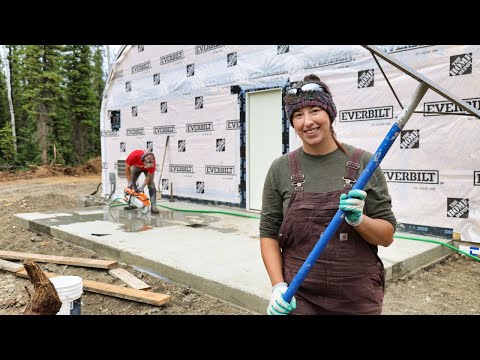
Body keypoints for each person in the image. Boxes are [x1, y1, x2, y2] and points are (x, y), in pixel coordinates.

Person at [260, 74, 396, 315]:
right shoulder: (280, 169)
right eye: (298, 115)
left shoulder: (366, 162)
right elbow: (269, 233)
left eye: (314, 111)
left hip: (357, 295)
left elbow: (386, 237)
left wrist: (359, 220)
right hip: (299, 293)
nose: (307, 122)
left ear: (330, 114)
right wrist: (278, 286)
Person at [125, 149, 160, 214]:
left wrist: (142, 186)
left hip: (148, 170)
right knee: (132, 183)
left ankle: (153, 207)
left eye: (149, 165)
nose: (146, 166)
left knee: (151, 185)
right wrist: (129, 181)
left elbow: (149, 176)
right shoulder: (134, 155)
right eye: (146, 165)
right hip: (136, 167)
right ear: (142, 160)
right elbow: (127, 167)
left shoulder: (152, 162)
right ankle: (133, 203)